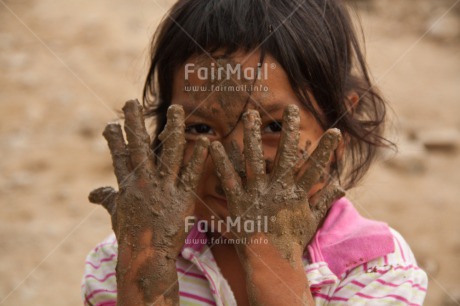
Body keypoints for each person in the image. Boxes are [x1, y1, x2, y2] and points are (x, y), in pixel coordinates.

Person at [81, 0, 428, 305]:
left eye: (273, 127)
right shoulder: (120, 259)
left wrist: (272, 261)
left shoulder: (375, 267)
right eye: (200, 129)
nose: (235, 163)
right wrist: (147, 266)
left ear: (338, 127)